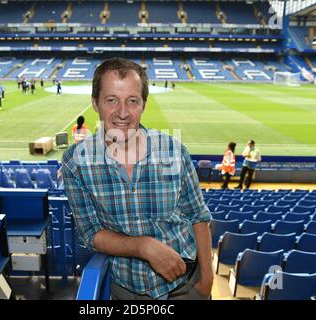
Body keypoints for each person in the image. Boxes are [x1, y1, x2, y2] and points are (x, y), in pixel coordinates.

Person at [62, 58, 213, 300]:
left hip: (187, 284)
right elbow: (91, 233)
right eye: (111, 100)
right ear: (94, 103)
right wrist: (143, 247)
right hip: (127, 290)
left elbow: (198, 215)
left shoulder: (174, 150)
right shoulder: (76, 161)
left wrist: (207, 279)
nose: (122, 113)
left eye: (132, 101)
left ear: (143, 104)